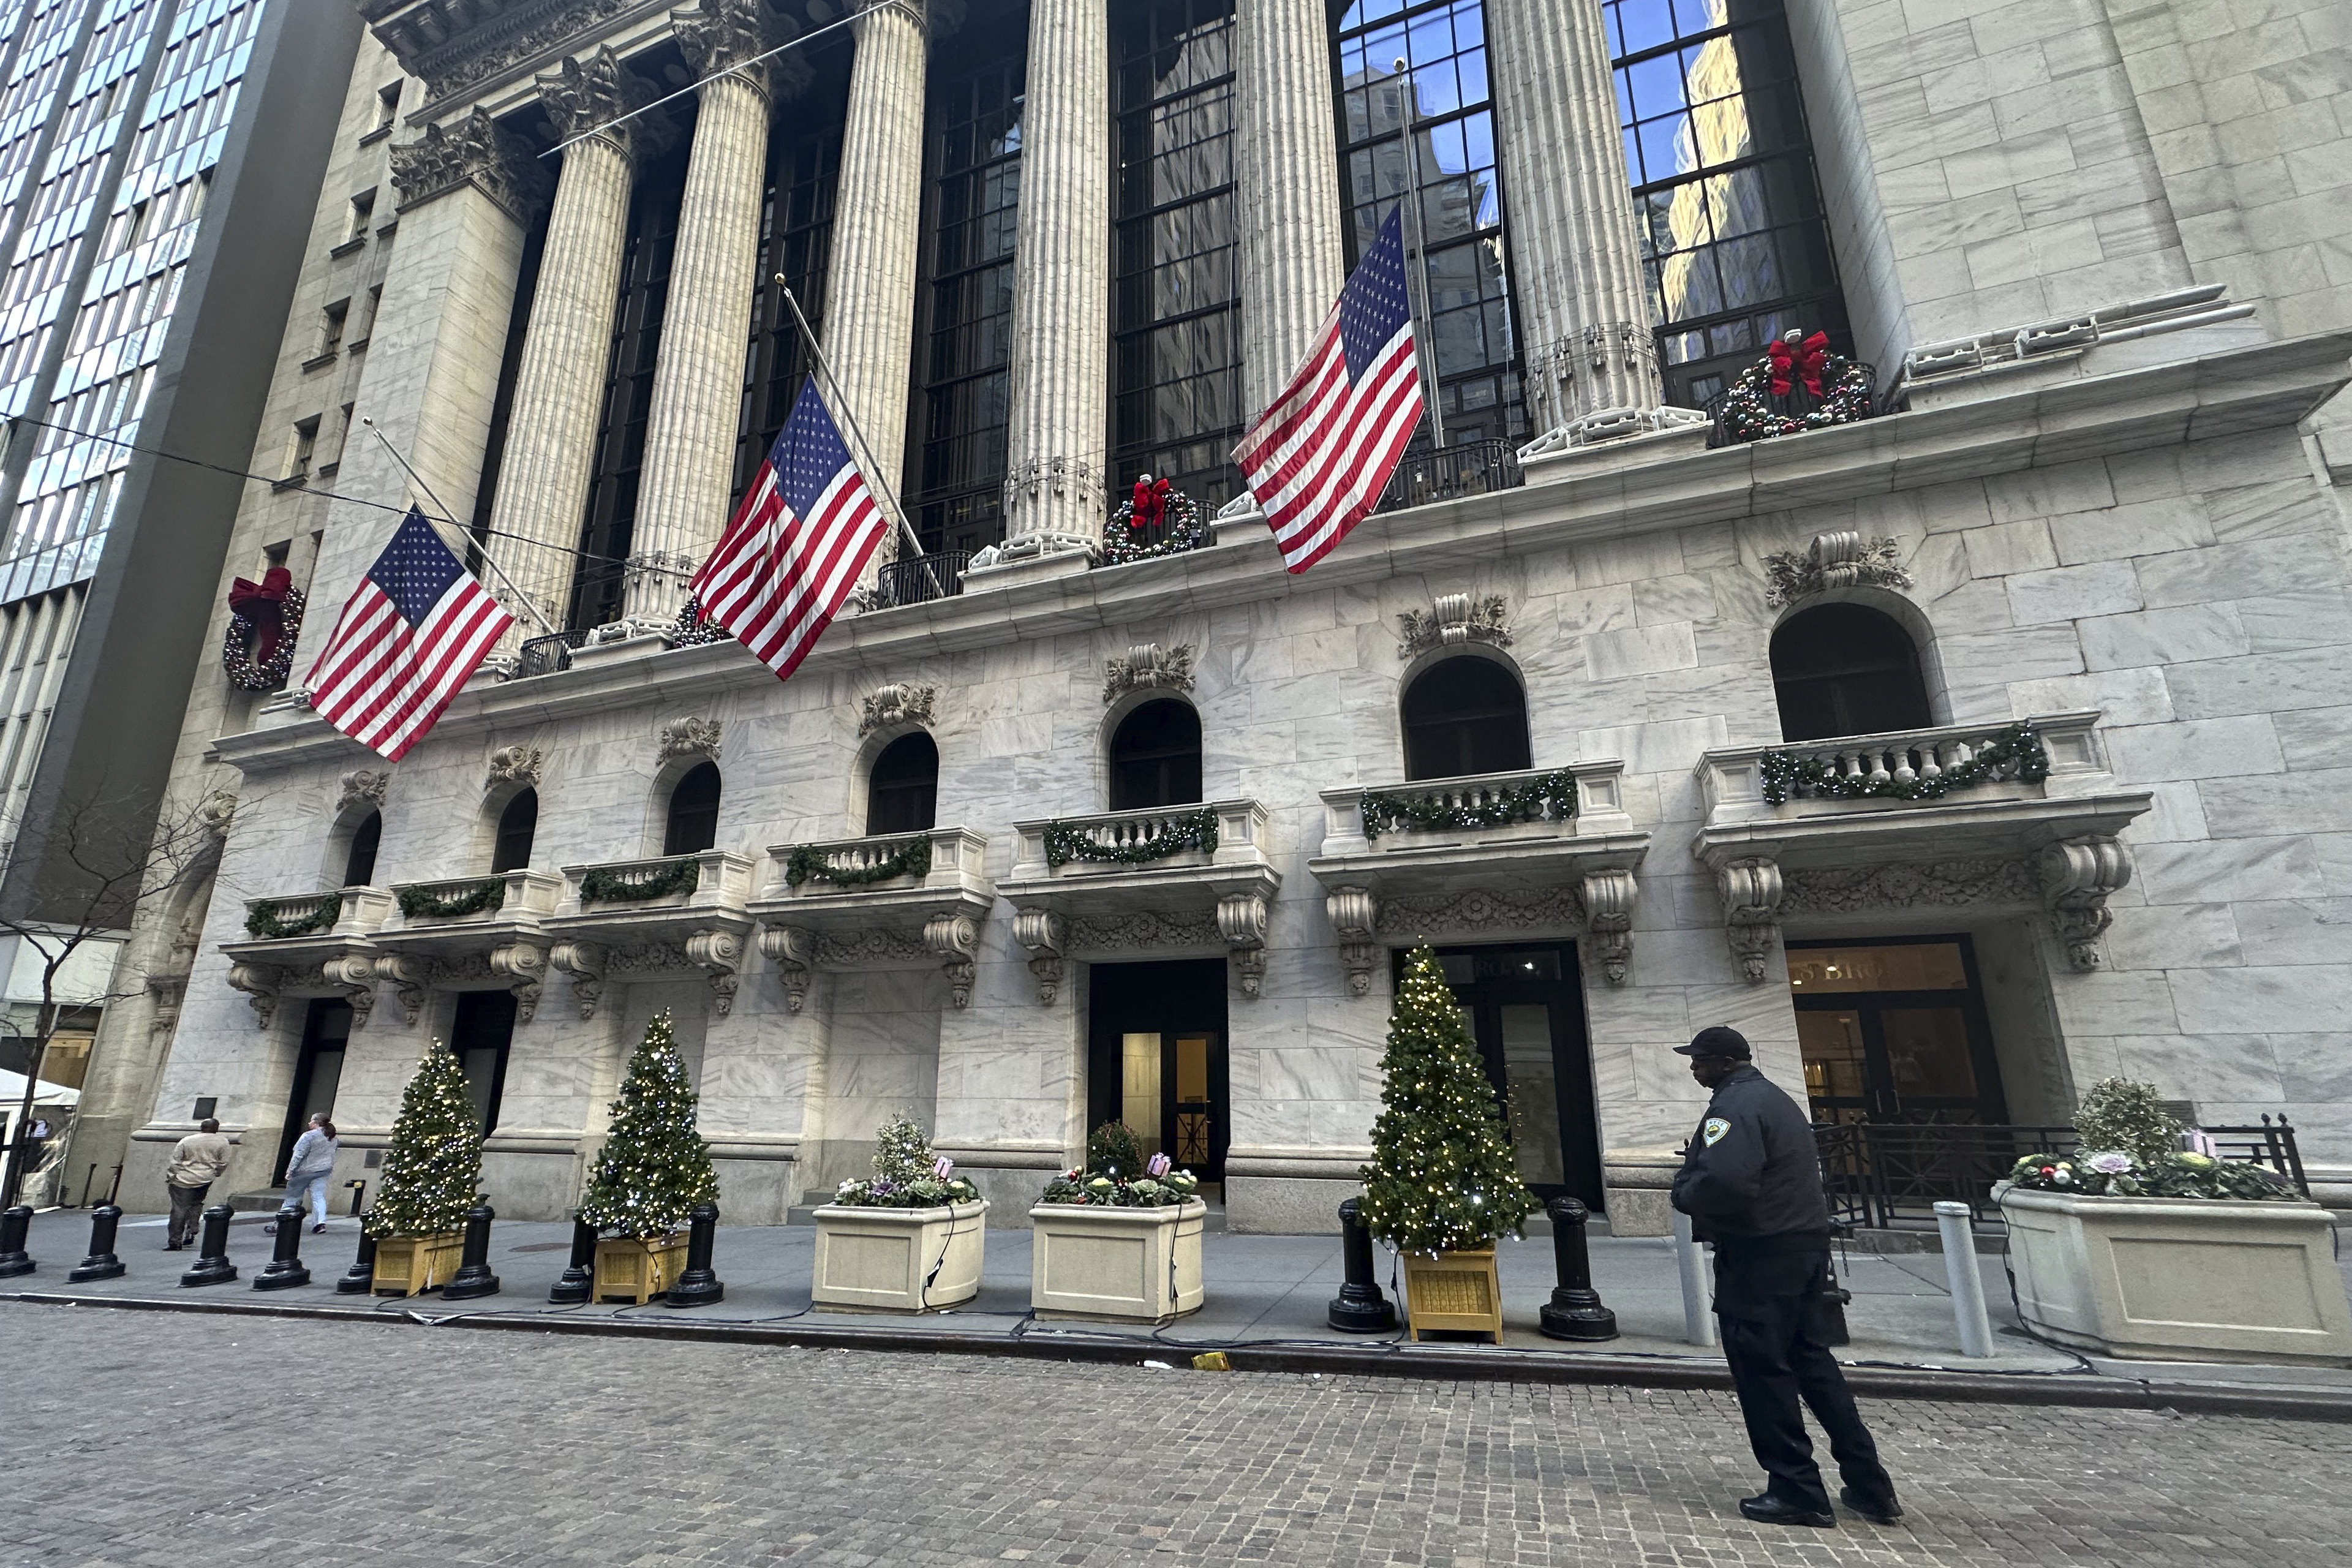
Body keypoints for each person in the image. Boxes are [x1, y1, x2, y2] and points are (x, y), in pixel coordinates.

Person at [1670, 1025, 1902, 1530]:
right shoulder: (1774, 1100)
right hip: (1801, 1246)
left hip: (1761, 1253)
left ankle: (1797, 1488)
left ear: (1726, 1061)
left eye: (1700, 1059)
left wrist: (1684, 1185)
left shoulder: (1735, 1107)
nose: (1693, 1067)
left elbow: (1726, 1181)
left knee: (1763, 1370)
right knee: (1811, 1363)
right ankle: (1869, 1484)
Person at [162, 1117, 232, 1251]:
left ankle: (175, 1241)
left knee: (179, 1209)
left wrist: (171, 1176)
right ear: (216, 1128)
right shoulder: (223, 1142)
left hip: (183, 1179)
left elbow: (175, 1161)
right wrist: (216, 1173)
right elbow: (223, 1162)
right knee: (197, 1202)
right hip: (205, 1179)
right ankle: (192, 1228)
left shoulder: (187, 1140)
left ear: (201, 1127)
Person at [276, 1112, 339, 1235]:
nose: (309, 1123)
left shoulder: (308, 1136)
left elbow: (298, 1155)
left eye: (311, 1121)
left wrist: (290, 1172)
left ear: (316, 1123)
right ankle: (320, 1224)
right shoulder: (333, 1138)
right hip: (324, 1170)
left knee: (292, 1198)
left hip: (304, 1171)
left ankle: (281, 1223)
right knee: (319, 1197)